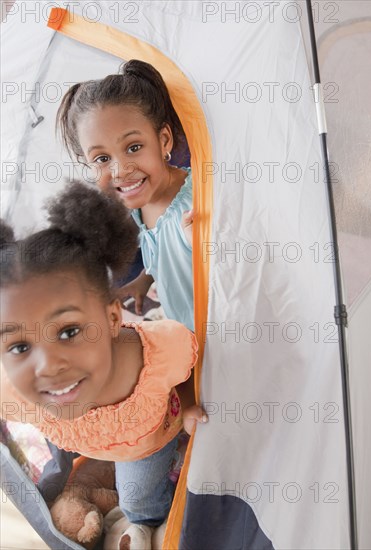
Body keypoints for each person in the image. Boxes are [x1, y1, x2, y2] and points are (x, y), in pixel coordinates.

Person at [0, 182, 205, 549]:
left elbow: (188, 367)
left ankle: (144, 519)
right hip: (71, 428)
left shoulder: (158, 352)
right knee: (53, 460)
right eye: (18, 345)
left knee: (137, 499)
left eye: (69, 332)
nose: (47, 365)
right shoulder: (14, 389)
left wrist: (189, 403)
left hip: (144, 438)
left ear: (113, 318)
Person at [57, 59, 195, 331]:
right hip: (186, 335)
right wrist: (145, 279)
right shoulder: (138, 206)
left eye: (133, 147)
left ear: (164, 140)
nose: (121, 170)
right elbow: (165, 253)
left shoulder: (195, 204)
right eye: (102, 158)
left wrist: (206, 247)